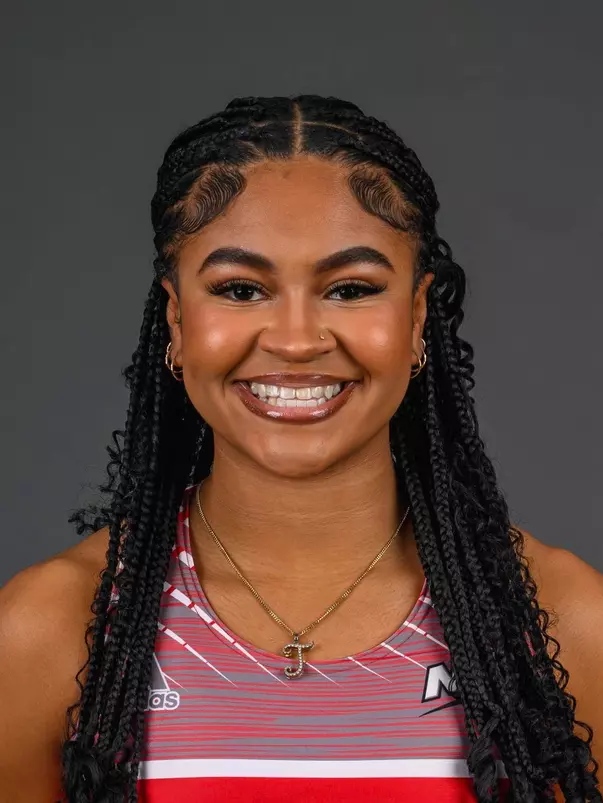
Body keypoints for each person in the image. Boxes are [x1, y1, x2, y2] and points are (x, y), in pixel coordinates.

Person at [0, 95, 601, 803]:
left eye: (349, 289)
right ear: (176, 319)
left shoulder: (559, 621)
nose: (294, 338)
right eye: (240, 289)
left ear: (414, 319)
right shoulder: (53, 630)